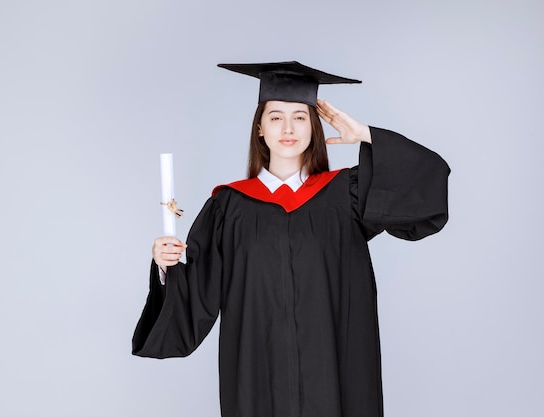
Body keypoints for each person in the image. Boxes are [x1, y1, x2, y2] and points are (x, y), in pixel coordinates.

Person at [133, 61, 450, 417]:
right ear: (259, 129)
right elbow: (198, 294)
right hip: (258, 376)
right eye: (275, 117)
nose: (288, 128)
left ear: (313, 128)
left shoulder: (346, 195)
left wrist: (365, 134)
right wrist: (166, 266)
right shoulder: (229, 207)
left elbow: (426, 188)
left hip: (335, 373)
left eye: (300, 117)